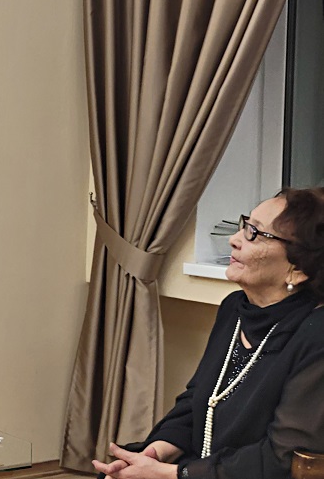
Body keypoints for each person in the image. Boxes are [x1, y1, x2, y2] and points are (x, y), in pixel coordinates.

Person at [93, 188, 324, 479]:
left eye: (254, 233)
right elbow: (198, 401)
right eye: (245, 225)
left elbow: (282, 458)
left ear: (298, 269)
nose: (234, 239)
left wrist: (172, 474)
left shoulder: (316, 334)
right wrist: (153, 454)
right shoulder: (235, 308)